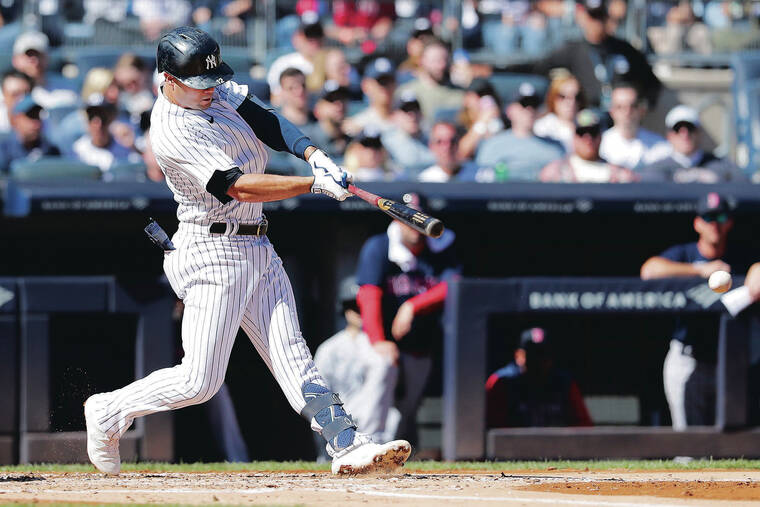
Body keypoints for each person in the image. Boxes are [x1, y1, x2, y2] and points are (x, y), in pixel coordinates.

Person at [83, 26, 411, 477]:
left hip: (256, 241)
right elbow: (236, 187)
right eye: (197, 84)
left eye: (212, 80)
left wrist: (312, 153)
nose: (209, 90)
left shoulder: (209, 87)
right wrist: (312, 183)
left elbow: (263, 116)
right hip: (211, 249)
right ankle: (108, 411)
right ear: (168, 79)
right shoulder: (172, 128)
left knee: (292, 352)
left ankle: (347, 443)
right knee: (200, 380)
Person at [640, 192, 757, 430]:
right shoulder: (684, 254)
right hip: (687, 357)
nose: (714, 224)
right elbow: (649, 270)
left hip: (728, 361)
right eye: (708, 217)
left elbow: (757, 269)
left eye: (720, 217)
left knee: (730, 442)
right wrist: (699, 270)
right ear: (698, 223)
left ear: (730, 222)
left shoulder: (739, 256)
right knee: (689, 444)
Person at [355, 193, 461, 447]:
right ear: (396, 219)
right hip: (379, 339)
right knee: (382, 370)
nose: (414, 224)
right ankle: (368, 445)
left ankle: (402, 454)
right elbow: (368, 296)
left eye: (419, 218)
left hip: (418, 346)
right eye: (407, 218)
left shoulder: (441, 247)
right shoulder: (379, 246)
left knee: (407, 409)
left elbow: (453, 286)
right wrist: (379, 341)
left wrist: (412, 306)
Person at [504, 0, 662, 110]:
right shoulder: (572, 49)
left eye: (600, 16)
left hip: (622, 116)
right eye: (592, 16)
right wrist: (498, 69)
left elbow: (651, 82)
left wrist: (643, 105)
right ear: (582, 17)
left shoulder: (624, 49)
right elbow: (538, 66)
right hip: (587, 116)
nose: (596, 23)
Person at [313, 277, 398, 454]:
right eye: (353, 306)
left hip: (380, 432)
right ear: (343, 308)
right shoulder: (329, 349)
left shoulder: (383, 347)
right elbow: (318, 398)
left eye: (363, 305)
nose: (360, 311)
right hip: (341, 427)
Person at [486, 327, 593, 428]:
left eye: (543, 354)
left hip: (557, 446)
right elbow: (490, 426)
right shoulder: (502, 382)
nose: (538, 360)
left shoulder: (564, 383)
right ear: (519, 355)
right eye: (532, 354)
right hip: (512, 446)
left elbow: (584, 427)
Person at [471, 82, 564, 182]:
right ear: (509, 110)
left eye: (533, 105)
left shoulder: (555, 147)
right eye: (523, 104)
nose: (529, 109)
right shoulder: (492, 145)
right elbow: (482, 180)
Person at [640, 105, 746, 183]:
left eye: (690, 128)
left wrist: (717, 180)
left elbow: (745, 187)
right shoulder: (656, 168)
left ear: (699, 133)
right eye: (678, 129)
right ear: (669, 135)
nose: (685, 134)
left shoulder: (722, 165)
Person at [540, 109, 636, 182]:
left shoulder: (622, 176)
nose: (588, 138)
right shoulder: (554, 173)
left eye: (593, 132)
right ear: (574, 137)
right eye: (581, 132)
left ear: (600, 136)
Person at [396, 37, 465, 123]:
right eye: (435, 60)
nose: (441, 65)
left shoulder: (460, 93)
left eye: (445, 59)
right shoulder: (407, 93)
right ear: (422, 60)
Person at [599, 82, 665, 170]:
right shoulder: (600, 145)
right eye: (620, 107)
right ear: (612, 111)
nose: (627, 112)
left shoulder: (660, 146)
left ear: (642, 110)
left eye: (633, 106)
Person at [72, 96, 141, 173]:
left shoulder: (124, 146)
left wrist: (133, 147)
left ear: (110, 119)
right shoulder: (79, 149)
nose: (98, 124)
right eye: (92, 117)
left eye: (103, 116)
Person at [11, 30, 77, 109]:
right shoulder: (5, 94)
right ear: (15, 60)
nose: (34, 61)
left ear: (48, 57)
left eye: (38, 54)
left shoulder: (67, 90)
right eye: (29, 55)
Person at [266, 13, 326, 97]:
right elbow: (276, 100)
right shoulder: (283, 64)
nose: (314, 39)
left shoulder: (334, 62)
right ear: (296, 38)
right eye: (308, 35)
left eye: (317, 34)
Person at [0, 95, 60, 174]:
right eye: (30, 116)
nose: (36, 124)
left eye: (37, 116)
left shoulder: (50, 150)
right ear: (15, 119)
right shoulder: (4, 151)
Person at [381, 91, 435, 177]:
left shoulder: (435, 139)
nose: (412, 115)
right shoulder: (385, 142)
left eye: (415, 110)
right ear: (395, 115)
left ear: (421, 114)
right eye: (406, 111)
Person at [533, 71, 585, 153]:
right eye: (563, 96)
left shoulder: (588, 124)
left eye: (576, 96)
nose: (571, 102)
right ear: (552, 98)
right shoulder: (543, 128)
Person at [300, 80, 352, 162]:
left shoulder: (354, 140)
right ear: (318, 108)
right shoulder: (307, 141)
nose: (339, 104)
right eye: (331, 99)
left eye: (342, 98)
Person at [343, 57, 397, 136]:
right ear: (366, 86)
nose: (385, 87)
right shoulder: (359, 124)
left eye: (389, 81)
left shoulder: (410, 118)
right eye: (381, 82)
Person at [456, 77, 506, 161]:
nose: (484, 100)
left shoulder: (505, 122)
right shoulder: (460, 125)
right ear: (466, 99)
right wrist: (481, 123)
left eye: (487, 95)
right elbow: (460, 154)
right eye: (479, 95)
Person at [0, 70, 33, 134]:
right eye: (15, 94)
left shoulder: (42, 120)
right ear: (4, 96)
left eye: (26, 94)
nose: (22, 99)